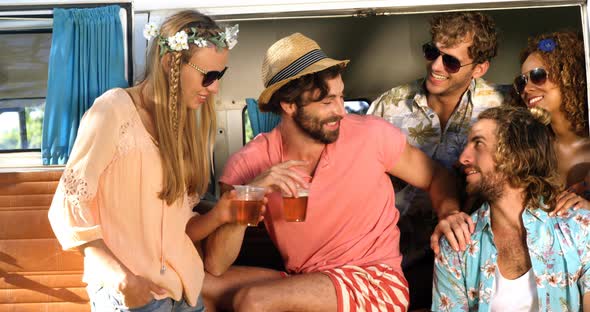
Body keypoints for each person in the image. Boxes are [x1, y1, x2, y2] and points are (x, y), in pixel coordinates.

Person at [203, 33, 472, 312]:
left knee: (253, 302)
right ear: (289, 104)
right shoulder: (248, 163)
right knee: (197, 286)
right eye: (327, 101)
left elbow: (435, 177)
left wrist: (451, 214)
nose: (341, 111)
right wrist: (251, 194)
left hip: (375, 281)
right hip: (308, 279)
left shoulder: (371, 135)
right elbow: (216, 264)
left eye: (341, 96)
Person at [48, 10, 245, 311]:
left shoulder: (182, 128)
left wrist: (220, 215)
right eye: (209, 76)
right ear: (170, 64)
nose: (215, 87)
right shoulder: (112, 110)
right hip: (132, 294)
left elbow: (176, 231)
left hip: (185, 291)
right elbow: (66, 210)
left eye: (220, 75)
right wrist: (123, 281)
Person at [432, 105, 590, 311]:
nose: (463, 158)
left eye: (478, 143)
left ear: (516, 155)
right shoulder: (457, 245)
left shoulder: (578, 227)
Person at [514, 31, 589, 213]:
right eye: (521, 82)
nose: (527, 88)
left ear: (569, 76)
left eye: (538, 75)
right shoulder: (529, 148)